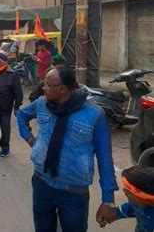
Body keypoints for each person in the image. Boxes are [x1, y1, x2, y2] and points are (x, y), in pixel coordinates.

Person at [16, 65, 118, 232]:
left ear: (63, 89)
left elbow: (105, 159)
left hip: (73, 193)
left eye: (49, 85)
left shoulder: (94, 115)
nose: (43, 88)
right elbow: (21, 115)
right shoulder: (41, 104)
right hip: (42, 183)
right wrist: (29, 138)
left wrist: (108, 200)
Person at [97, 165, 154, 231]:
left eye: (129, 191)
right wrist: (115, 213)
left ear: (147, 200)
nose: (124, 191)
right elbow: (133, 207)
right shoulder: (141, 202)